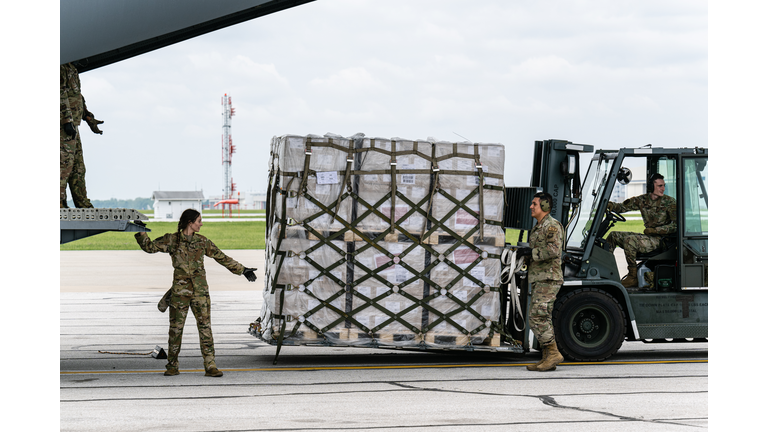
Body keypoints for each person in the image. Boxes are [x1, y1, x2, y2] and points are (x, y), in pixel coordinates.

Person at [135, 209, 258, 377]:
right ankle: (172, 365)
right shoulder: (172, 240)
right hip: (180, 293)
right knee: (175, 330)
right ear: (190, 223)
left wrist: (243, 270)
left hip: (200, 292)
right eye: (199, 221)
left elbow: (221, 257)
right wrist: (141, 231)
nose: (201, 224)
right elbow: (149, 247)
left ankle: (210, 365)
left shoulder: (202, 242)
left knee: (205, 329)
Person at [517, 192, 565, 372]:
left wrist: (531, 253)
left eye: (534, 204)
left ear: (545, 206)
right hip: (540, 277)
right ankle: (547, 357)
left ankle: (553, 353)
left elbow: (553, 250)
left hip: (549, 278)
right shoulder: (538, 227)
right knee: (540, 316)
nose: (531, 207)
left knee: (538, 316)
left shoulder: (551, 226)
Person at [606, 173, 677, 288]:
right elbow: (622, 207)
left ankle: (633, 276)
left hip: (661, 240)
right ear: (651, 186)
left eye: (663, 185)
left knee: (630, 240)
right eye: (659, 186)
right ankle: (607, 270)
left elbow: (675, 226)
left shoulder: (670, 202)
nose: (663, 188)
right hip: (648, 237)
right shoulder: (642, 200)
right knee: (613, 235)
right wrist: (610, 205)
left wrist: (656, 231)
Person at [60, 62, 103, 208]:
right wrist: (66, 120)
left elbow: (77, 96)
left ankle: (82, 203)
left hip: (73, 126)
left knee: (78, 168)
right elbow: (59, 93)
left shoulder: (72, 68)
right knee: (63, 166)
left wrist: (89, 118)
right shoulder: (61, 67)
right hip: (63, 127)